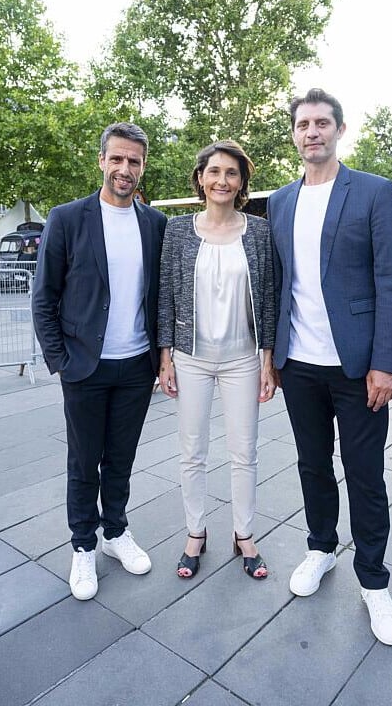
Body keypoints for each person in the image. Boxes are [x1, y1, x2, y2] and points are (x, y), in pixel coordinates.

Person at [267, 88, 392, 645]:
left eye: (322, 123)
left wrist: (385, 364)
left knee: (365, 473)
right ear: (295, 135)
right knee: (311, 465)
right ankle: (321, 547)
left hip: (358, 369)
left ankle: (374, 582)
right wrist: (270, 357)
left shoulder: (373, 192)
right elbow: (278, 286)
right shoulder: (280, 201)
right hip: (298, 364)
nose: (312, 132)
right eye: (303, 124)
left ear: (339, 130)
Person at [32, 122, 167, 601]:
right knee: (83, 460)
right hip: (84, 366)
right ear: (102, 161)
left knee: (122, 459)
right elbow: (44, 296)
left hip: (135, 367)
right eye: (117, 159)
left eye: (134, 161)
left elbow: (161, 298)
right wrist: (60, 361)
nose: (125, 169)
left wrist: (161, 357)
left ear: (142, 166)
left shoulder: (154, 224)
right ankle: (83, 546)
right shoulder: (67, 218)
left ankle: (115, 532)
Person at [157, 139, 276, 581]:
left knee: (244, 453)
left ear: (242, 181)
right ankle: (196, 531)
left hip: (243, 359)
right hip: (190, 358)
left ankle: (244, 534)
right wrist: (165, 357)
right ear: (200, 179)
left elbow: (268, 297)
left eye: (231, 173)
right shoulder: (177, 230)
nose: (222, 180)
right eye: (214, 172)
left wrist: (268, 360)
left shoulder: (260, 232)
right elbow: (166, 296)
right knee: (193, 452)